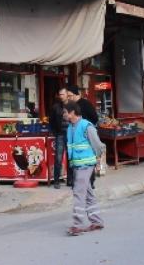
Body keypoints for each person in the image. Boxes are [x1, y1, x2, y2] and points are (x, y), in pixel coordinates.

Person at [64, 101, 104, 236]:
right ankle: (97, 221)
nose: (64, 114)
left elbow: (98, 146)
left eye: (65, 112)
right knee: (88, 194)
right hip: (77, 165)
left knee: (78, 193)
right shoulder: (70, 127)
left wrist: (98, 160)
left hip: (86, 165)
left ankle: (78, 225)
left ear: (72, 113)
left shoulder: (86, 126)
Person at [49, 88, 68, 189]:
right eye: (60, 94)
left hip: (70, 134)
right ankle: (56, 181)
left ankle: (70, 180)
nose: (61, 96)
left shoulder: (72, 105)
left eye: (63, 94)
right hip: (60, 134)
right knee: (58, 158)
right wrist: (54, 132)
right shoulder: (56, 107)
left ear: (67, 95)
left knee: (71, 157)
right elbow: (51, 120)